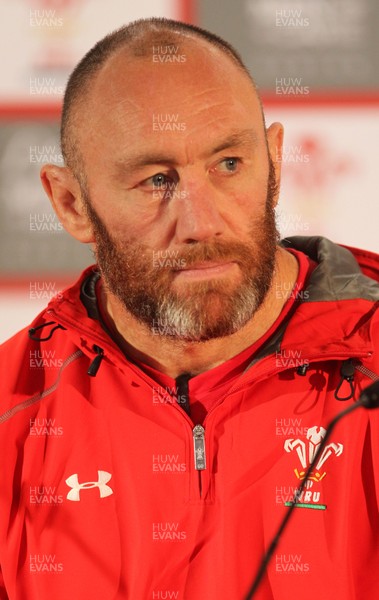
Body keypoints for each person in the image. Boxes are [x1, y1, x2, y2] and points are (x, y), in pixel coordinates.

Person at [0, 17, 378, 600]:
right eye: (156, 180)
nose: (202, 223)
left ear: (274, 163)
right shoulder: (12, 414)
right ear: (71, 204)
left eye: (229, 165)